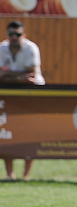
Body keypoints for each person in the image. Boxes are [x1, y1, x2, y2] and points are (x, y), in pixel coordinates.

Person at [0, 20, 45, 180]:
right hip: (9, 95)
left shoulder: (31, 48)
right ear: (7, 35)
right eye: (11, 34)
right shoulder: (1, 48)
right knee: (8, 131)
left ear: (23, 35)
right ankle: (9, 174)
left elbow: (32, 76)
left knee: (29, 132)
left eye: (17, 34)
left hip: (31, 95)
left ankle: (26, 175)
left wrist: (8, 75)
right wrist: (21, 76)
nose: (14, 37)